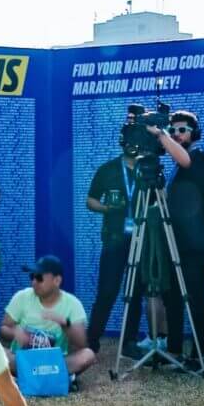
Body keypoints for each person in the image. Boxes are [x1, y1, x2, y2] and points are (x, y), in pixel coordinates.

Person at [152, 110, 204, 364]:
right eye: (173, 130)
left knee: (195, 297)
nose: (177, 135)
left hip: (196, 244)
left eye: (182, 130)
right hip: (175, 242)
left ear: (194, 133)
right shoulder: (177, 170)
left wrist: (161, 134)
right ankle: (174, 349)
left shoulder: (200, 158)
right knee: (172, 297)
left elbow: (185, 159)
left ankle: (199, 354)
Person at [84, 130, 148, 355]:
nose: (133, 145)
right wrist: (106, 209)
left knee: (136, 292)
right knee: (107, 291)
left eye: (137, 141)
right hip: (114, 239)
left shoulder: (147, 169)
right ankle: (92, 341)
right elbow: (90, 200)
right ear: (122, 142)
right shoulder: (108, 169)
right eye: (129, 141)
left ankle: (129, 342)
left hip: (141, 240)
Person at [1, 255, 96, 381]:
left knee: (88, 355)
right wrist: (15, 332)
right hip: (21, 360)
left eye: (39, 278)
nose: (34, 282)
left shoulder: (73, 304)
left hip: (54, 363)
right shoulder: (22, 297)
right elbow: (4, 328)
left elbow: (82, 344)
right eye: (32, 277)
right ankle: (53, 378)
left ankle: (27, 377)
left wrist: (65, 324)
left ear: (57, 281)